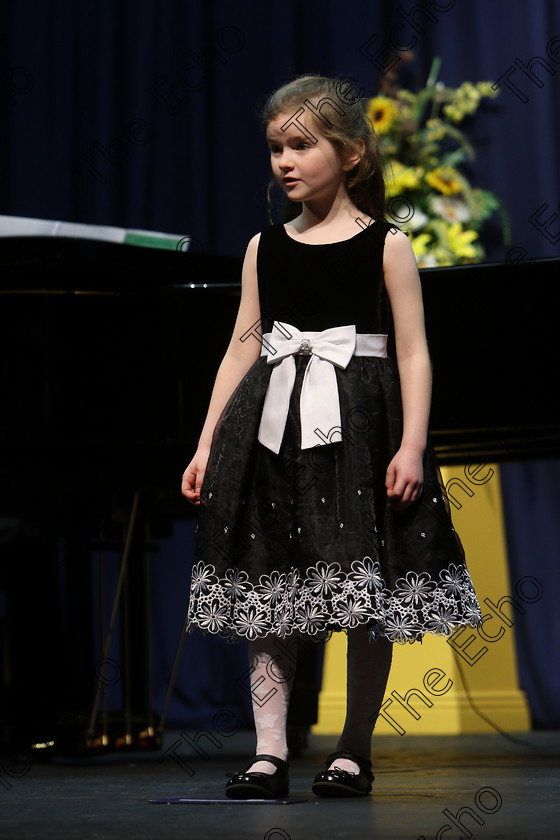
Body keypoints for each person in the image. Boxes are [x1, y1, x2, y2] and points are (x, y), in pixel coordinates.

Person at [181, 74, 482, 799]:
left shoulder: (388, 245)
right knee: (268, 582)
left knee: (361, 588)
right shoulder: (264, 247)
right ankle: (270, 750)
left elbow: (412, 350)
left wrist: (411, 444)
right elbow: (241, 347)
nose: (285, 161)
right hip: (272, 431)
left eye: (302, 145)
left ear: (349, 154)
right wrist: (204, 443)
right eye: (276, 148)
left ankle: (353, 748)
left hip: (360, 431)